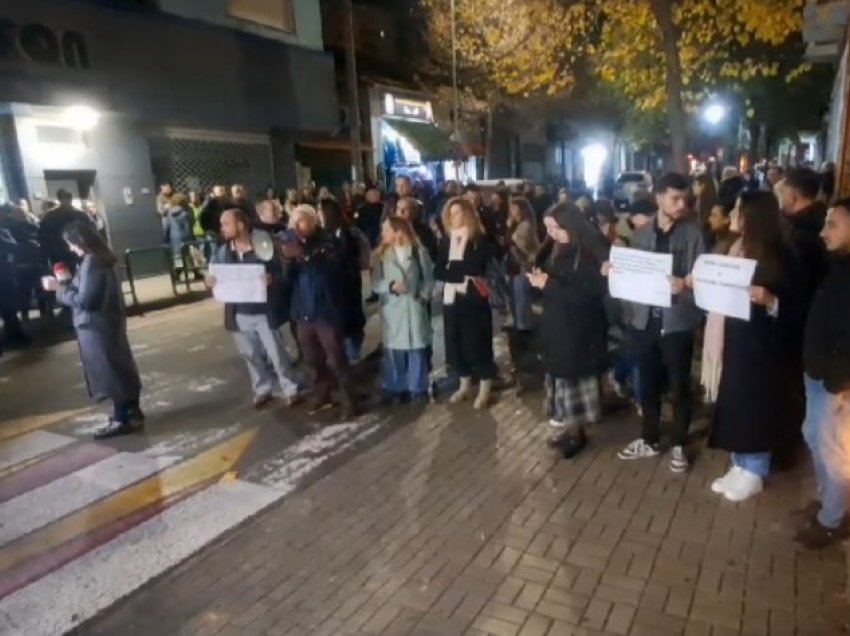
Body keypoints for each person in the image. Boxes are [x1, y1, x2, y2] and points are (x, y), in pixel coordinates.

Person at [706, 191, 805, 501]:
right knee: (735, 404)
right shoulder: (735, 246)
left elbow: (798, 305)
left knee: (755, 408)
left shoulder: (782, 255)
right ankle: (739, 464)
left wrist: (771, 300)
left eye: (740, 209)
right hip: (735, 340)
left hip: (764, 347)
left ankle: (755, 470)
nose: (735, 214)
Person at [607, 173, 705, 472]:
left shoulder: (693, 233)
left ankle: (678, 443)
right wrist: (616, 270)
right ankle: (649, 439)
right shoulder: (643, 233)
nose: (681, 204)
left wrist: (687, 285)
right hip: (645, 320)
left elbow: (702, 277)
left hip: (677, 322)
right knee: (646, 382)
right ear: (658, 198)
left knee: (679, 385)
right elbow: (633, 273)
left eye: (685, 198)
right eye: (675, 198)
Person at [43, 221, 143, 439]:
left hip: (96, 326)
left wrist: (58, 288)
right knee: (121, 366)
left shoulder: (92, 262)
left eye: (71, 244)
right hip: (108, 323)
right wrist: (69, 282)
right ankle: (133, 411)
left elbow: (87, 301)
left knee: (110, 372)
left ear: (81, 241)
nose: (70, 248)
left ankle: (120, 419)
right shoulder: (102, 259)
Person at [530, 203, 607, 459]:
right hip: (558, 324)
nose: (551, 233)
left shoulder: (588, 251)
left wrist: (548, 285)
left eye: (555, 227)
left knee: (574, 379)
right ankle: (567, 426)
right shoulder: (557, 246)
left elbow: (587, 294)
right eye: (548, 228)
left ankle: (577, 432)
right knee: (560, 378)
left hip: (579, 328)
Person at [206, 208, 300, 409]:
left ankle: (290, 387)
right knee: (251, 355)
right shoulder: (223, 252)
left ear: (240, 225)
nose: (222, 229)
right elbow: (213, 274)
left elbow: (283, 273)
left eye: (226, 224)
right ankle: (262, 388)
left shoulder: (264, 246)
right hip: (239, 314)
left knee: (277, 353)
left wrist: (272, 280)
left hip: (265, 312)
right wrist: (210, 281)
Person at [797, 197, 850, 548]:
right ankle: (828, 501)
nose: (822, 231)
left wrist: (840, 380)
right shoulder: (837, 265)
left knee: (833, 450)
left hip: (835, 379)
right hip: (818, 371)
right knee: (815, 436)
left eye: (832, 224)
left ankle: (834, 518)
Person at [282, 204, 358, 418]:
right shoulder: (292, 245)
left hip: (326, 311)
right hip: (303, 312)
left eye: (302, 221)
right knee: (312, 358)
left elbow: (331, 269)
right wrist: (288, 260)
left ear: (314, 221)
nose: (297, 226)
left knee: (336, 358)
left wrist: (303, 254)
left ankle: (349, 400)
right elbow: (287, 281)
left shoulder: (328, 241)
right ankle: (322, 395)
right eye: (294, 222)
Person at [436, 197, 498, 409]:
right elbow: (438, 268)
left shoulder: (478, 238)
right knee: (454, 340)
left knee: (476, 341)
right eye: (450, 214)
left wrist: (452, 270)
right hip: (451, 297)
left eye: (458, 213)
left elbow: (474, 266)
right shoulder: (446, 240)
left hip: (473, 297)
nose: (454, 218)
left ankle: (485, 386)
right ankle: (464, 383)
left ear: (468, 215)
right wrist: (455, 271)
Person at [374, 216, 435, 404]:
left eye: (386, 230)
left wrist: (423, 297)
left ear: (398, 232)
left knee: (416, 348)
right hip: (393, 310)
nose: (383, 233)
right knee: (394, 350)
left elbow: (429, 278)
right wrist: (390, 285)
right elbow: (375, 282)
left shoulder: (418, 252)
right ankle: (396, 387)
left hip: (413, 307)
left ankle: (418, 388)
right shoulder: (381, 255)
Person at [317, 198, 366, 364]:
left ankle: (353, 360)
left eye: (319, 212)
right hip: (333, 291)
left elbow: (348, 260)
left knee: (350, 327)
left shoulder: (346, 234)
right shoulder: (324, 235)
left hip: (346, 288)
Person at [505, 197, 539, 333]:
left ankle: (523, 326)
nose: (511, 211)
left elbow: (519, 247)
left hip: (522, 265)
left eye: (514, 208)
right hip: (516, 264)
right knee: (516, 296)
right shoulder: (518, 224)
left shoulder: (525, 225)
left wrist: (508, 229)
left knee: (521, 297)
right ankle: (520, 323)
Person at [38, 189, 91, 272]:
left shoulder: (50, 217)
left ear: (59, 199)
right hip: (80, 252)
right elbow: (90, 234)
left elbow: (44, 239)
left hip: (59, 255)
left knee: (65, 280)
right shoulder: (81, 215)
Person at [396, 195, 439, 262]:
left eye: (406, 209)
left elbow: (431, 251)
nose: (401, 212)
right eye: (398, 208)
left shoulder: (423, 230)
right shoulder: (391, 227)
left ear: (413, 211)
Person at [164, 193, 193, 276]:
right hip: (184, 237)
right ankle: (195, 272)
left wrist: (166, 239)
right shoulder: (185, 213)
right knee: (188, 255)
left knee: (177, 257)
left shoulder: (170, 213)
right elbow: (187, 228)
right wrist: (190, 237)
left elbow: (167, 227)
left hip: (174, 238)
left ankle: (177, 273)